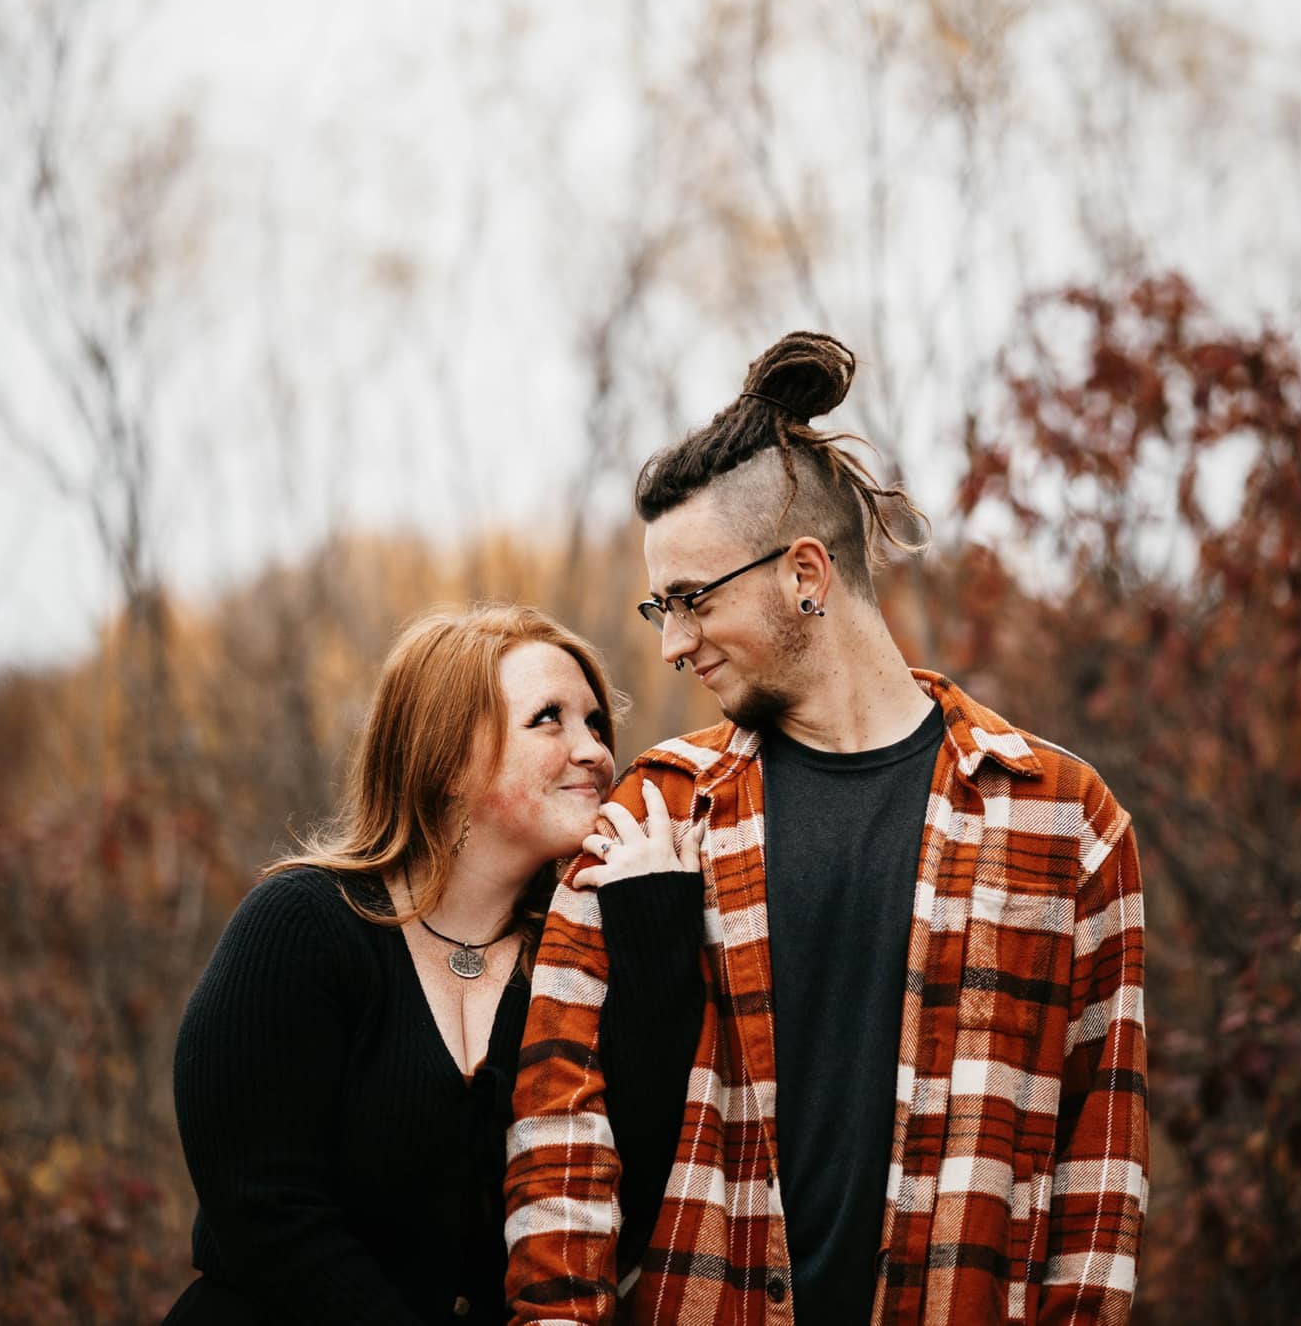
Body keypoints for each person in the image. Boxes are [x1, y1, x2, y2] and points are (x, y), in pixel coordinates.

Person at [505, 334, 1149, 1325]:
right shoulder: (653, 816)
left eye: (690, 600)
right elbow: (561, 1146)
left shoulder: (1063, 821)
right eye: (657, 606)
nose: (670, 643)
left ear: (805, 571)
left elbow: (1095, 1184)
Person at [165, 604, 705, 1326]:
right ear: (446, 759)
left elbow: (630, 1194)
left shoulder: (575, 955)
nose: (596, 752)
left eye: (597, 723)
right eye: (550, 719)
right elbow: (263, 1209)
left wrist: (656, 929)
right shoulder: (303, 926)